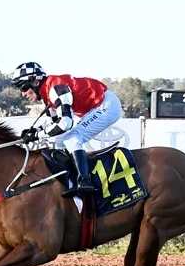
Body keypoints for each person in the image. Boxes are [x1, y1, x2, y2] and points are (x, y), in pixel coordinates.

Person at [11, 61, 122, 198]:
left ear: (34, 81)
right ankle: (72, 181)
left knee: (72, 138)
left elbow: (65, 124)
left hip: (107, 105)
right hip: (95, 107)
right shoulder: (47, 94)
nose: (23, 94)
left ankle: (84, 182)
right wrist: (34, 131)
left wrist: (38, 135)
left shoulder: (55, 88)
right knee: (59, 141)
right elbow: (53, 123)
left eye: (23, 88)